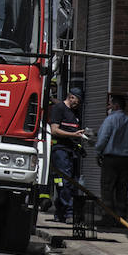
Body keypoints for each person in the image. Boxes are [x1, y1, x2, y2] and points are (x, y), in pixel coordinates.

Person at [94, 94, 128, 226]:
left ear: (116, 106)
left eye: (110, 104)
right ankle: (121, 218)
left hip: (111, 159)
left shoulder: (110, 120)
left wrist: (98, 151)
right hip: (126, 160)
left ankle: (108, 216)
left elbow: (103, 139)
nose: (108, 107)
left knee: (107, 188)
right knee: (122, 188)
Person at [46, 87, 86, 223]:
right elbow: (54, 130)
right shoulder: (59, 109)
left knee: (70, 183)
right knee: (64, 182)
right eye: (77, 101)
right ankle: (69, 213)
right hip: (60, 151)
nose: (78, 104)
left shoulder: (75, 113)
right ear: (71, 97)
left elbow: (74, 133)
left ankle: (60, 213)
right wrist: (72, 135)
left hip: (71, 151)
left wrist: (79, 145)